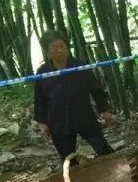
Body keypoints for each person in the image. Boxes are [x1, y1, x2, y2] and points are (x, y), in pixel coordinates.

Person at [33, 29, 115, 161]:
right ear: (47, 51)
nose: (60, 50)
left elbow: (96, 89)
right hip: (59, 122)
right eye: (54, 48)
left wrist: (105, 110)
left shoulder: (80, 66)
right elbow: (40, 99)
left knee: (105, 151)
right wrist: (43, 123)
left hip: (84, 116)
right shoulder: (43, 72)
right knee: (68, 160)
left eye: (62, 46)